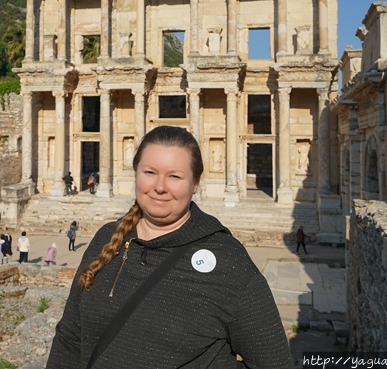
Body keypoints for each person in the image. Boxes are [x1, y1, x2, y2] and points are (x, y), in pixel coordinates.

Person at [48, 125, 293, 368]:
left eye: (175, 176)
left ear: (195, 183)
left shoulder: (228, 262)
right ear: (135, 173)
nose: (160, 186)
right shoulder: (106, 239)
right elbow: (70, 338)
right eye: (150, 172)